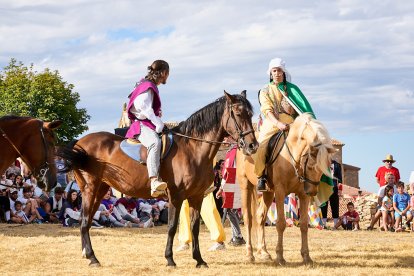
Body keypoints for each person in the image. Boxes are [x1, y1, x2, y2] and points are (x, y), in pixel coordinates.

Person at [255, 58, 315, 191]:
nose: (277, 73)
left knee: (310, 145)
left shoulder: (292, 89)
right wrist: (278, 123)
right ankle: (262, 177)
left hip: (292, 123)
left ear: (284, 72)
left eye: (279, 71)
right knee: (262, 147)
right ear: (270, 73)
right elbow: (267, 110)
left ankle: (310, 177)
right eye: (274, 71)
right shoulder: (265, 90)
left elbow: (301, 109)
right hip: (272, 123)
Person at [125, 60, 170, 197]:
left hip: (147, 122)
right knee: (154, 143)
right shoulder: (148, 85)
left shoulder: (145, 83)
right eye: (168, 73)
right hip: (141, 125)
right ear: (163, 73)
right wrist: (157, 121)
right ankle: (154, 181)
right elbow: (141, 105)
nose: (167, 76)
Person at [321, 160, 342, 228]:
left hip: (334, 187)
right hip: (324, 187)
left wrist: (340, 189)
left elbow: (340, 178)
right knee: (324, 205)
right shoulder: (322, 163)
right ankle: (323, 224)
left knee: (335, 205)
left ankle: (335, 225)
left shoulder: (337, 165)